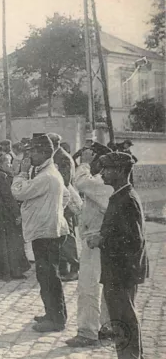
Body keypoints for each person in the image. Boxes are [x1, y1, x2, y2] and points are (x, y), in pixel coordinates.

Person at [90, 152, 148, 359]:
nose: (103, 173)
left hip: (122, 271)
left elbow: (134, 241)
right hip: (119, 269)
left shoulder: (127, 199)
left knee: (124, 319)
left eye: (108, 169)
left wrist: (102, 240)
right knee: (121, 318)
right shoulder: (120, 196)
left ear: (122, 172)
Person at [11, 135, 70, 333]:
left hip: (47, 233)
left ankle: (57, 319)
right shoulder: (49, 172)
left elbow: (18, 192)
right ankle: (52, 314)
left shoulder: (45, 176)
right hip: (48, 229)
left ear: (45, 152)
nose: (30, 155)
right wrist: (51, 210)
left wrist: (22, 173)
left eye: (33, 151)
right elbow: (67, 195)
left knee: (49, 276)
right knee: (46, 275)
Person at [65, 143, 113, 348]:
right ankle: (106, 326)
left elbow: (82, 182)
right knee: (103, 286)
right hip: (99, 238)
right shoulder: (103, 183)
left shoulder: (102, 184)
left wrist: (84, 163)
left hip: (96, 241)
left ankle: (88, 331)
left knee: (88, 287)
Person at [0, 153, 30, 279]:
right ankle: (12, 270)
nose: (10, 165)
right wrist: (17, 214)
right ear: (2, 164)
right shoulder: (3, 177)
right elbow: (9, 198)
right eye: (8, 163)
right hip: (3, 213)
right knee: (10, 240)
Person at [47, 133, 80, 282]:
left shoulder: (63, 158)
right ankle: (63, 267)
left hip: (65, 201)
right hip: (58, 200)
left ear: (54, 143)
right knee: (60, 234)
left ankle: (74, 267)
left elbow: (65, 181)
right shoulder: (56, 156)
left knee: (68, 235)